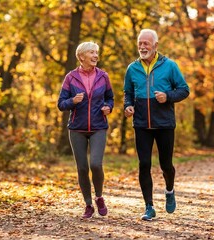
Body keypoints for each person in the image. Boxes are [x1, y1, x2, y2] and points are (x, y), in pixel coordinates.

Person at [123, 29, 190, 220]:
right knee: (144, 164)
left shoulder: (169, 66)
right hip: (142, 124)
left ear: (156, 46)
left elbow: (184, 90)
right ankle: (149, 207)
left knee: (166, 165)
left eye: (146, 43)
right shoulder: (132, 68)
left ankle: (169, 190)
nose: (142, 47)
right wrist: (128, 106)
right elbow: (127, 92)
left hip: (164, 124)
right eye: (140, 43)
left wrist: (168, 96)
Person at [58, 41, 114, 218]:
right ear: (81, 56)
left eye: (97, 52)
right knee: (82, 168)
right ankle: (88, 204)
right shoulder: (71, 77)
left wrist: (108, 107)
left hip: (98, 126)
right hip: (77, 128)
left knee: (96, 164)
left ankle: (99, 197)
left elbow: (110, 98)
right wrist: (73, 101)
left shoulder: (103, 76)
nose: (96, 56)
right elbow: (61, 104)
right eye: (92, 52)